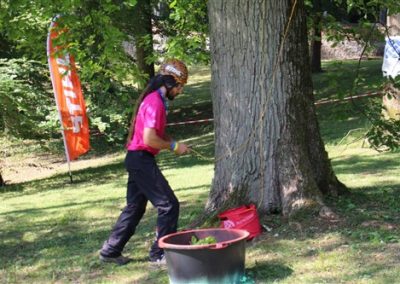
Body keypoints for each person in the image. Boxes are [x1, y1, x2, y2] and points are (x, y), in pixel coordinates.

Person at [99, 59, 190, 265]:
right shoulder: (155, 103)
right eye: (180, 86)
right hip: (140, 160)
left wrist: (174, 142)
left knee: (135, 207)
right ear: (169, 83)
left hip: (137, 159)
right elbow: (149, 139)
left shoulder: (155, 100)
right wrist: (174, 147)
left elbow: (156, 134)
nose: (181, 91)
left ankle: (110, 251)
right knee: (168, 205)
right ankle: (160, 254)